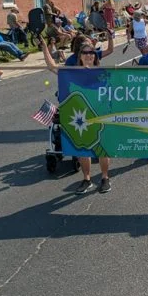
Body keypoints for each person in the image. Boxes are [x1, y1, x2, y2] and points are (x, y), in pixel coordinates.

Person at [40, 35, 114, 195]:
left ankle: (105, 178)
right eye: (85, 53)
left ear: (95, 56)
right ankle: (87, 179)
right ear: (79, 56)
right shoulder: (71, 73)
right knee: (82, 150)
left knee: (102, 150)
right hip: (80, 117)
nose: (89, 55)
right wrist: (45, 47)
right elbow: (52, 66)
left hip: (99, 115)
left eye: (92, 53)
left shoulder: (102, 73)